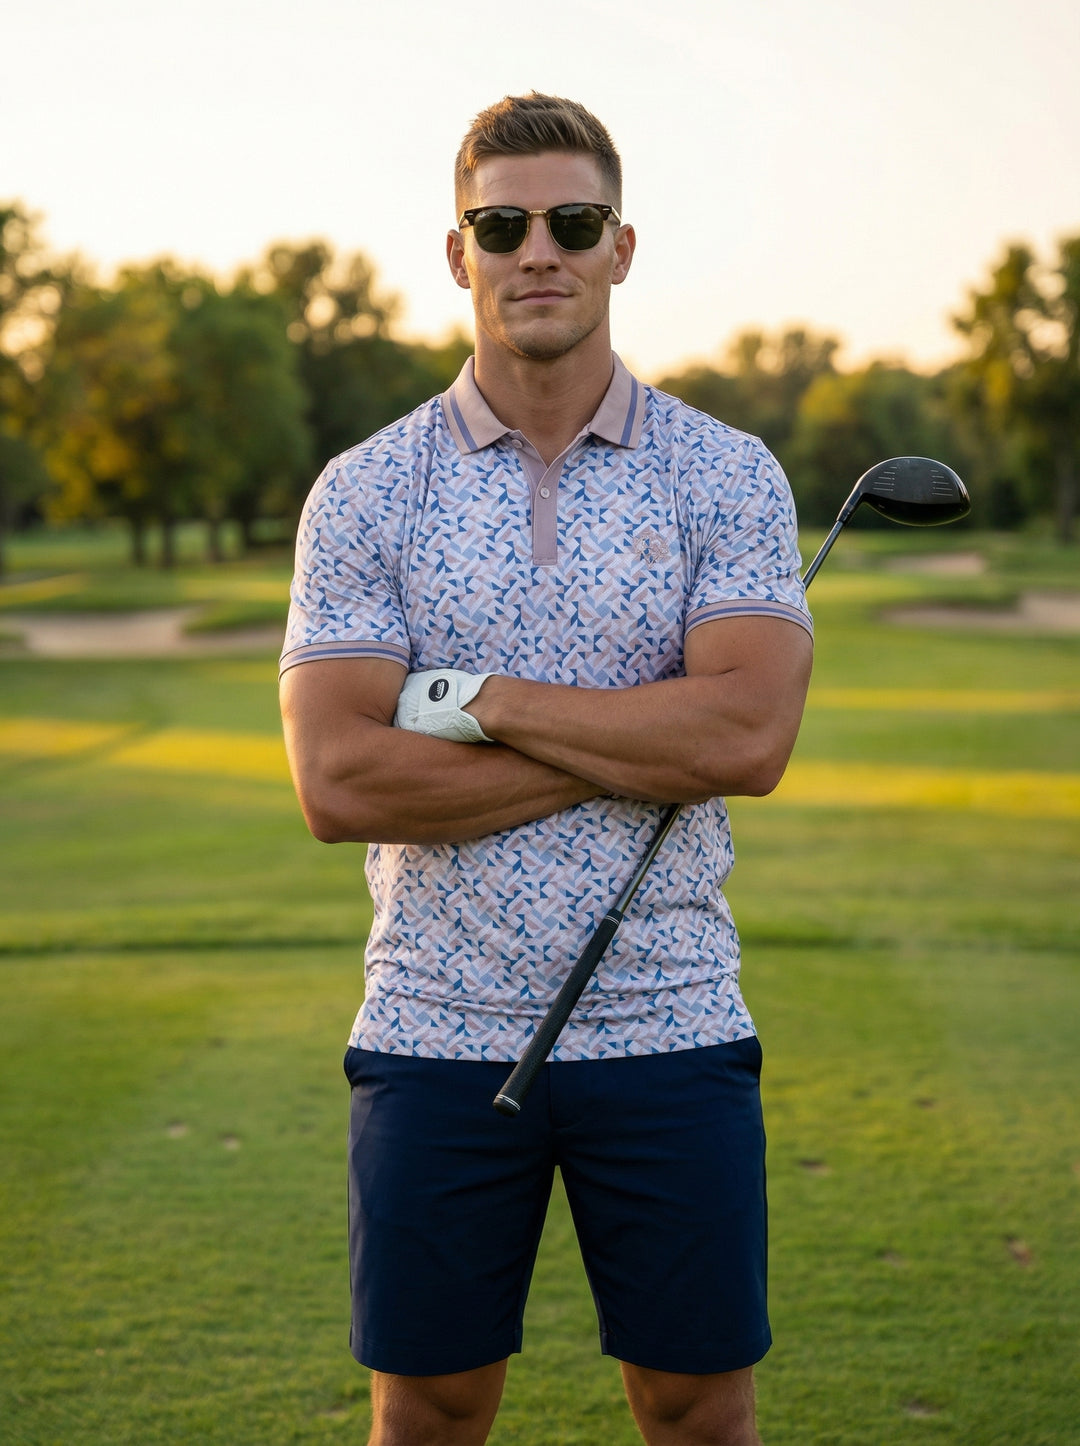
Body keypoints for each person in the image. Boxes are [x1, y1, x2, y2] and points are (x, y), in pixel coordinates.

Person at [279, 92, 813, 1446]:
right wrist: (647, 735)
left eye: (572, 222)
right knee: (433, 1409)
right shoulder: (363, 490)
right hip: (434, 1023)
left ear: (621, 246)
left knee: (698, 1407)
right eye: (502, 224)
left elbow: (747, 739)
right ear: (457, 252)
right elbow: (341, 781)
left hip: (672, 1019)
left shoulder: (726, 474)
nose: (539, 251)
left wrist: (479, 705)